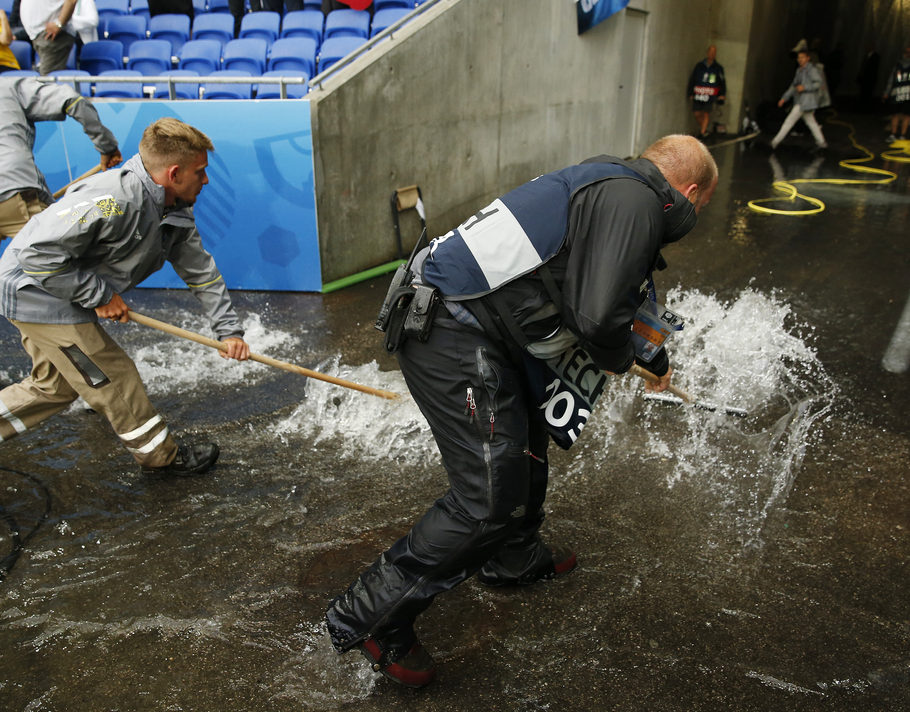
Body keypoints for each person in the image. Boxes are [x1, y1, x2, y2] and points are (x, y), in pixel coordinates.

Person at [325, 135, 718, 687]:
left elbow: (592, 287)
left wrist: (649, 353)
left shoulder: (607, 179)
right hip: (447, 327)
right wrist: (620, 358)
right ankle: (369, 616)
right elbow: (598, 315)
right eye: (701, 208)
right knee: (488, 497)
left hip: (474, 324)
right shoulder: (637, 201)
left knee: (527, 438)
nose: (694, 218)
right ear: (691, 192)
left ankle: (514, 556)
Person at [0, 117, 250, 507]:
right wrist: (99, 295)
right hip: (39, 293)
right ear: (174, 174)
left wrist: (228, 330)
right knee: (113, 375)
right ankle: (162, 458)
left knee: (54, 387)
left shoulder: (174, 209)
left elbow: (201, 272)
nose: (205, 180)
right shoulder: (112, 198)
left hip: (61, 292)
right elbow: (38, 255)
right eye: (200, 171)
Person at [0, 60, 120, 398]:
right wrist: (106, 146)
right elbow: (72, 100)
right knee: (49, 278)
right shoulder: (4, 86)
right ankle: (77, 379)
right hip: (17, 193)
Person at [770, 50, 828, 152]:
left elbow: (819, 83)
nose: (800, 60)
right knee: (811, 123)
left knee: (789, 121)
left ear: (807, 58)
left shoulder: (812, 70)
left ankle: (775, 141)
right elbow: (794, 86)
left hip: (805, 102)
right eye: (799, 58)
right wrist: (784, 98)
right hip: (803, 102)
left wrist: (805, 87)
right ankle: (822, 143)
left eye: (802, 57)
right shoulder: (799, 70)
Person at [19, 0, 77, 75]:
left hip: (53, 35)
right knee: (48, 77)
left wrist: (59, 23)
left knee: (48, 77)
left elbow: (71, 1)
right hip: (41, 35)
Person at [687, 45, 727, 139]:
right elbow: (693, 79)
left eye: (714, 52)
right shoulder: (699, 66)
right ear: (708, 53)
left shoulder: (718, 68)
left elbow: (722, 82)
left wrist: (722, 94)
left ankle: (702, 132)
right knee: (696, 113)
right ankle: (704, 129)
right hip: (699, 93)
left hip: (710, 93)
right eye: (711, 52)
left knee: (706, 112)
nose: (712, 54)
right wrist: (691, 92)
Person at [882, 44, 910, 142]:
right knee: (895, 114)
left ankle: (902, 135)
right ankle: (893, 134)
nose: (907, 54)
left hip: (908, 95)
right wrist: (886, 92)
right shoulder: (898, 65)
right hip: (896, 93)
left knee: (906, 115)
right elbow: (891, 79)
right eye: (906, 52)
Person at [857, 44, 881, 112]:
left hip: (870, 79)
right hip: (865, 79)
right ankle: (861, 108)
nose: (867, 48)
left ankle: (867, 109)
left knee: (868, 94)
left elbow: (873, 69)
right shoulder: (867, 56)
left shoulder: (876, 56)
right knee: (863, 93)